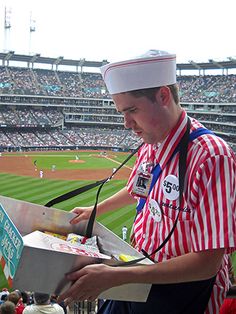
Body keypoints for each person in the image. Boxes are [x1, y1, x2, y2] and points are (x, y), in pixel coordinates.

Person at [58, 50, 236, 313]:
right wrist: (95, 210)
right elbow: (138, 189)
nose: (126, 123)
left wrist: (120, 275)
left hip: (180, 292)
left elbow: (208, 263)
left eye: (132, 110)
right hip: (139, 273)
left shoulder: (211, 156)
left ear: (163, 96)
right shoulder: (151, 143)